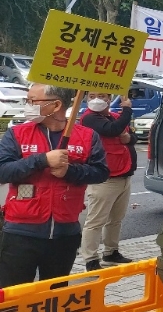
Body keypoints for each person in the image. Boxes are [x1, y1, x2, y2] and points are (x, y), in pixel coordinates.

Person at [0, 84, 110, 289]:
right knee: (13, 300)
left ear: (55, 105)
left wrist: (70, 171)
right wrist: (42, 160)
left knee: (54, 300)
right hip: (20, 233)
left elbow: (101, 172)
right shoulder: (17, 133)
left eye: (33, 101)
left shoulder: (87, 136)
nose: (28, 106)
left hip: (65, 234)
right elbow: (3, 171)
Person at [80, 90, 138, 271]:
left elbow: (129, 135)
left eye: (102, 96)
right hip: (105, 179)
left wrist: (130, 138)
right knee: (95, 221)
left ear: (109, 98)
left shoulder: (113, 117)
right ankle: (90, 259)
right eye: (91, 96)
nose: (96, 99)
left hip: (123, 176)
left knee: (116, 219)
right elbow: (112, 130)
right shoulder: (89, 119)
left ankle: (111, 252)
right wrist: (127, 109)